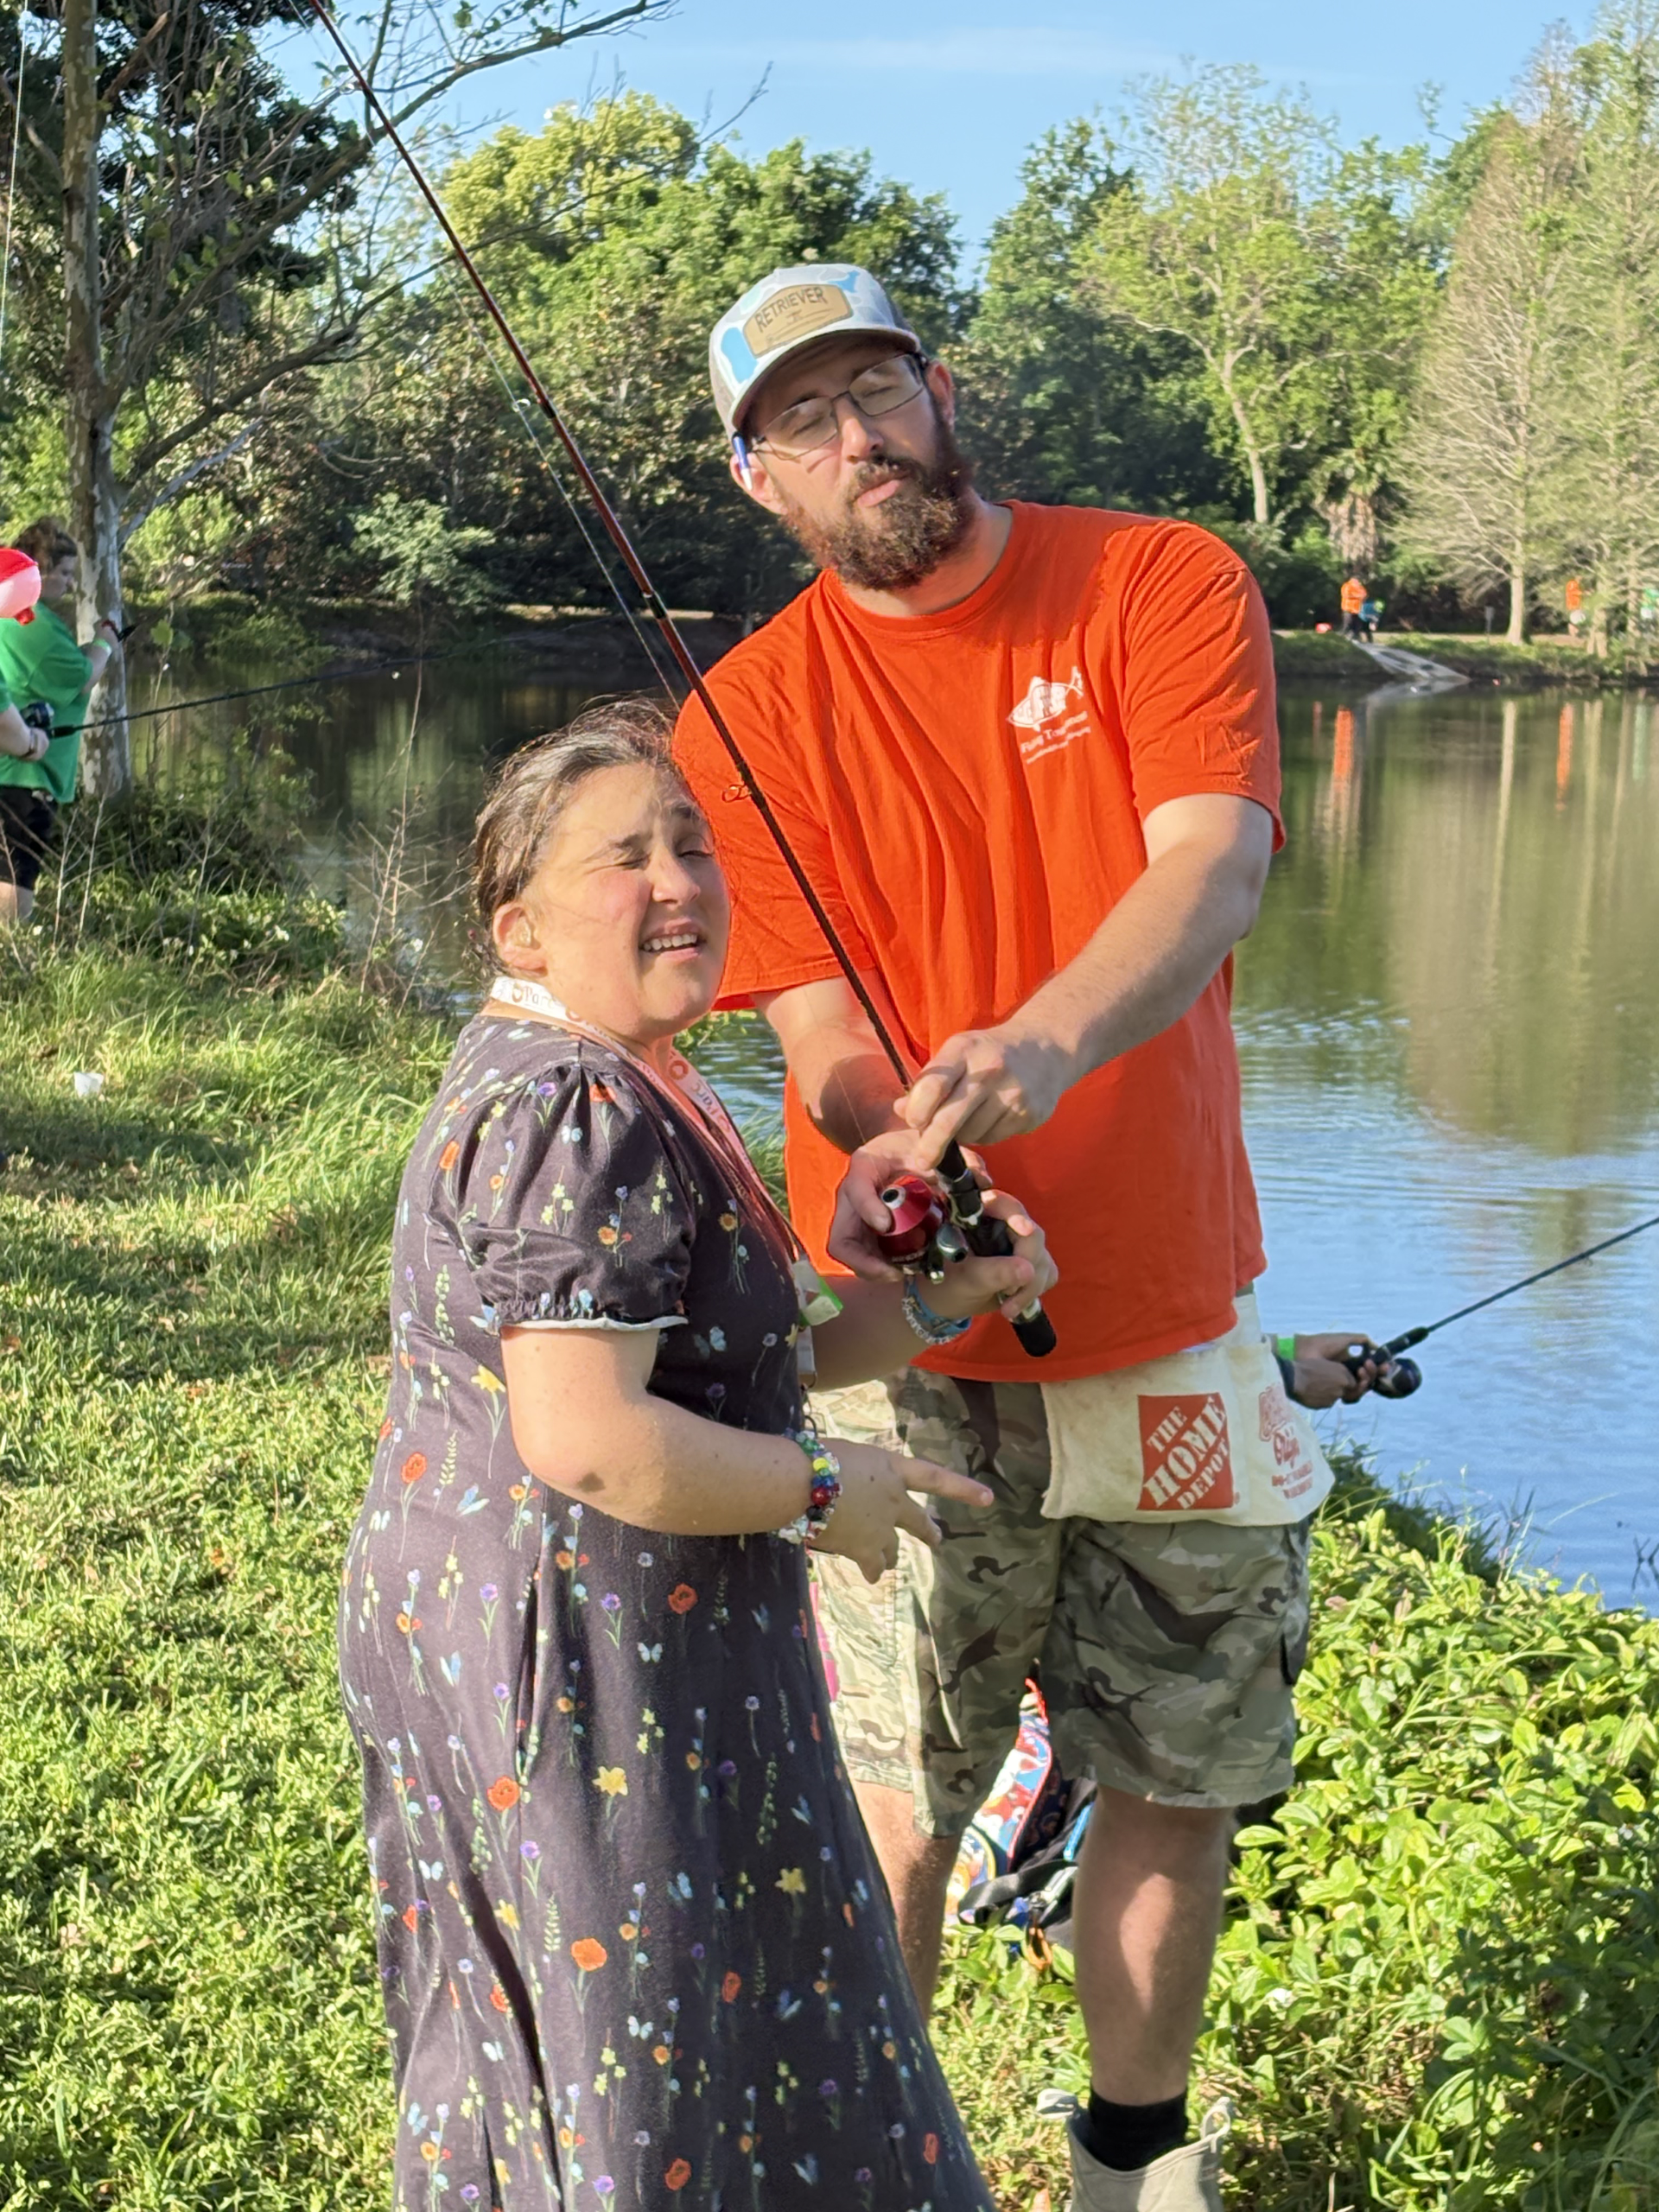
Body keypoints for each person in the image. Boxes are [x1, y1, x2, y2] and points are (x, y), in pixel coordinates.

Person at [673, 263, 1325, 2212]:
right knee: (893, 1782)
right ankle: (875, 2164)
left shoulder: (1157, 583)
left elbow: (1210, 863)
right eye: (804, 418)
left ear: (940, 392)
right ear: (757, 479)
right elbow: (815, 1037)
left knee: (1176, 1764)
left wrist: (1042, 1043)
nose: (858, 435)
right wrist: (900, 1160)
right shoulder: (747, 708)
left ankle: (1135, 2153)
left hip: (1168, 1314)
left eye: (878, 386)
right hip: (900, 1341)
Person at [339, 701, 1058, 2210]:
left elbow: (748, 1357)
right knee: (643, 2041)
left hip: (573, 1633)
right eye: (625, 858)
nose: (677, 879)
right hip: (587, 1654)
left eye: (693, 844)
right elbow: (589, 1437)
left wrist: (934, 1299)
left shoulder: (627, 1073)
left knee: (627, 2022)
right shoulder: (575, 1105)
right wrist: (825, 1487)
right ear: (520, 926)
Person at [0, 517, 121, 923]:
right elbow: (83, 676)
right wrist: (105, 641)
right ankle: (14, 967)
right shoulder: (28, 620)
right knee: (16, 877)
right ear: (38, 568)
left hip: (19, 770)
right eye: (66, 574)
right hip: (23, 775)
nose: (70, 585)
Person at [1339, 575, 1367, 639]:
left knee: (1357, 624)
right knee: (1347, 623)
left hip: (1357, 609)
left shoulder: (1360, 587)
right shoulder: (1347, 586)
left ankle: (1354, 636)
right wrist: (1358, 596)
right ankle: (1342, 635)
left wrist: (1359, 596)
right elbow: (1347, 594)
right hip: (1348, 607)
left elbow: (1364, 594)